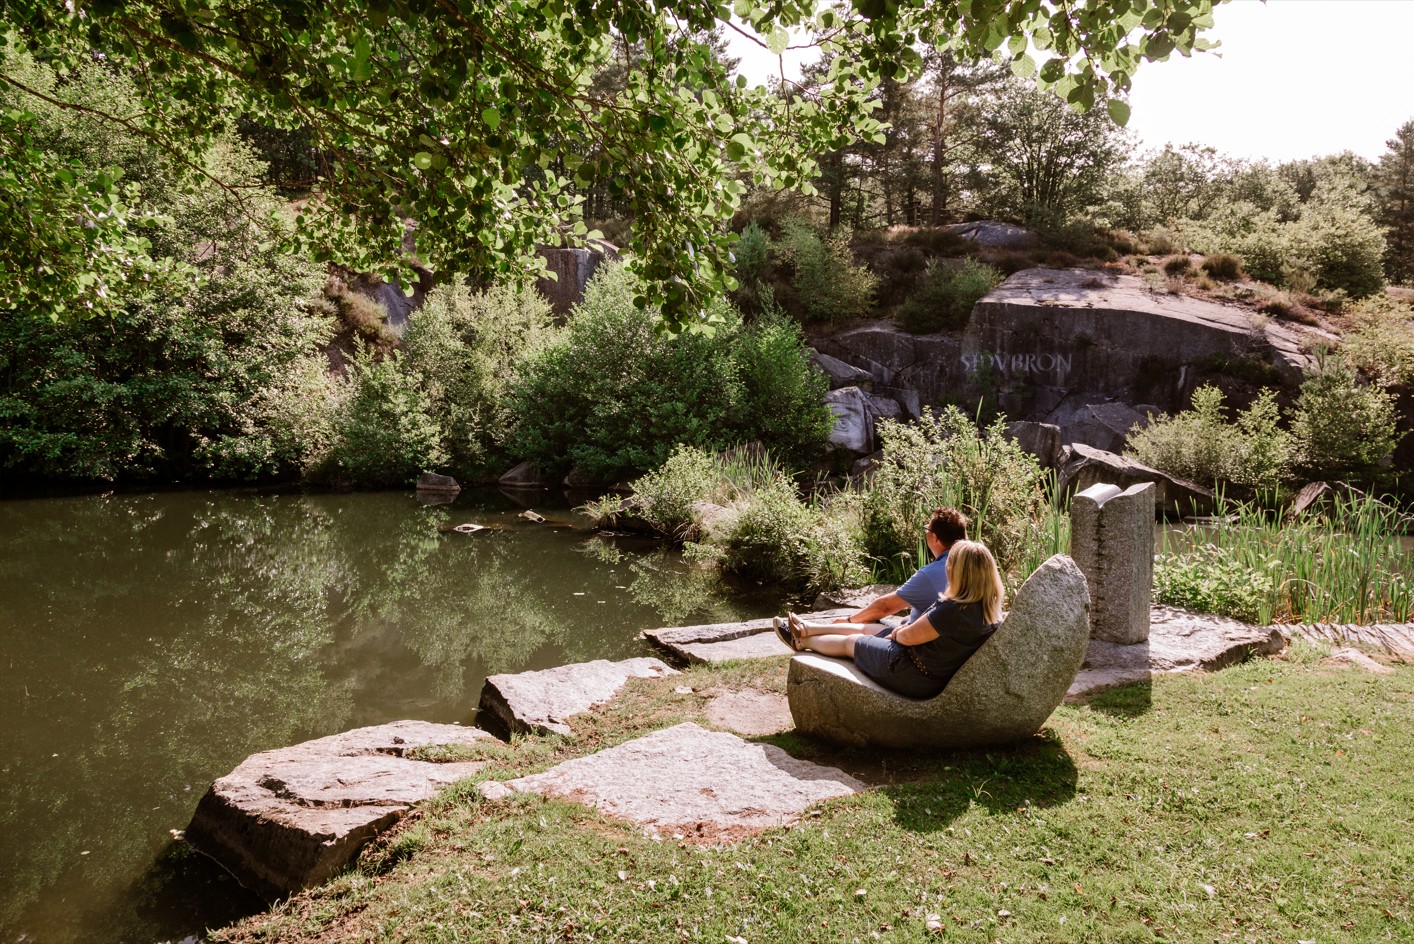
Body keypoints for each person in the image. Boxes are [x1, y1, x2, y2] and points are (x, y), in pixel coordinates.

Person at [774, 540, 1004, 699]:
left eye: (950, 564)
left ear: (959, 571)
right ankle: (808, 628)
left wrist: (899, 633)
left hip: (911, 672)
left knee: (853, 641)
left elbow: (907, 637)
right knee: (874, 627)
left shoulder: (954, 610)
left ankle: (802, 643)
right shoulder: (988, 608)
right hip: (929, 666)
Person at [839, 507, 969, 628]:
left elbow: (885, 607)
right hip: (955, 637)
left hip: (920, 642)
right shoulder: (976, 565)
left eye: (927, 529)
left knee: (867, 624)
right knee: (904, 620)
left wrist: (848, 621)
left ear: (934, 537)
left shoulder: (931, 573)